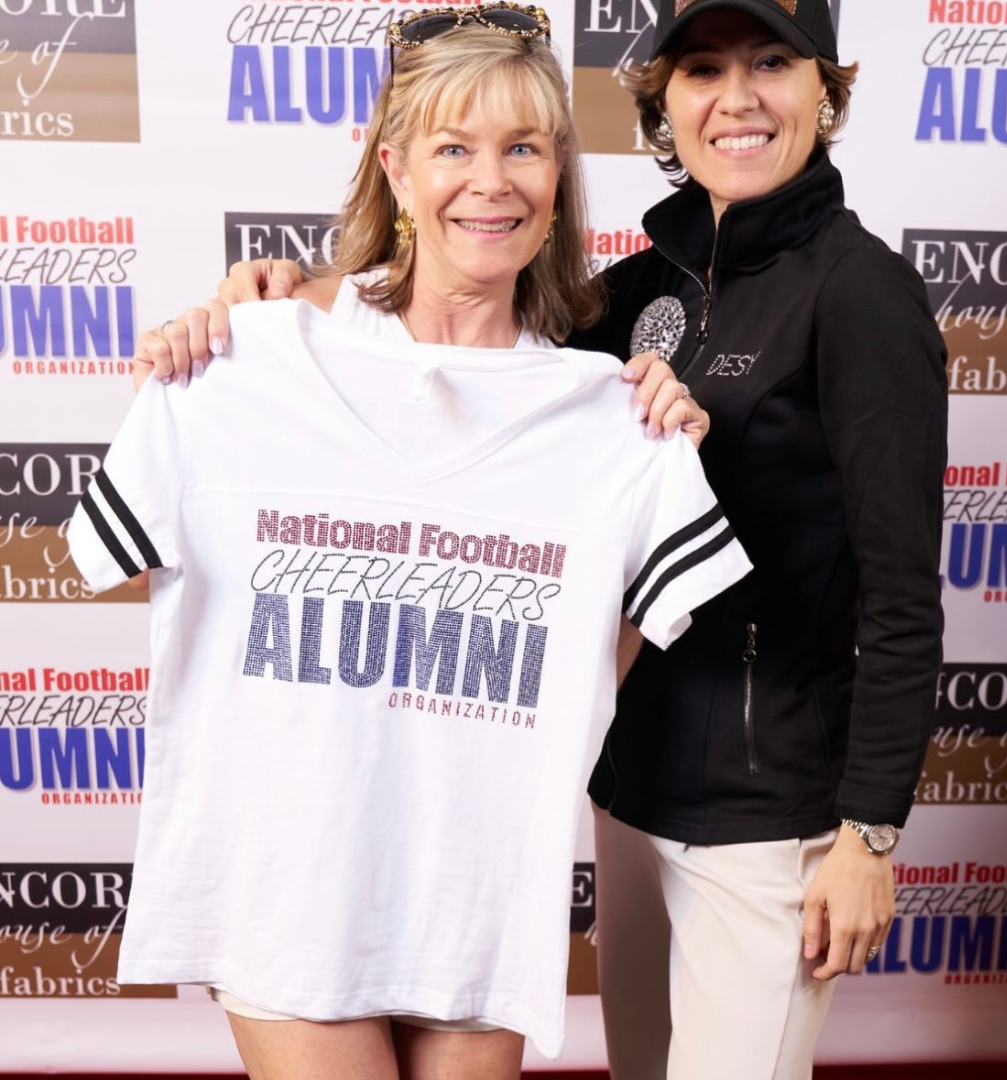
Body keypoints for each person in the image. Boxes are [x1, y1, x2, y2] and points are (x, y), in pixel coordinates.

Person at [136, 0, 949, 1076]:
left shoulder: (863, 294)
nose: (738, 98)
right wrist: (282, 304)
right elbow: (451, 330)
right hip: (626, 790)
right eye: (704, 69)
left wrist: (869, 835)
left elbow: (902, 596)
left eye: (772, 65)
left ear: (824, 89)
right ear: (666, 101)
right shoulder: (633, 293)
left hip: (764, 807)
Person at [66, 8, 753, 1080]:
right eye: (454, 147)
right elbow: (117, 561)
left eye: (524, 147)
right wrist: (217, 350)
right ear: (393, 167)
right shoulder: (250, 353)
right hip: (286, 890)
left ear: (562, 171)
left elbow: (603, 661)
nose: (493, 181)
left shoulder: (608, 409)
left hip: (477, 901)